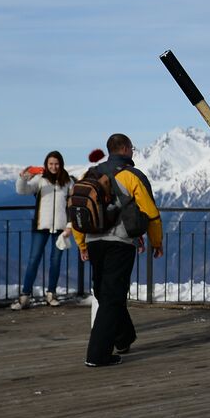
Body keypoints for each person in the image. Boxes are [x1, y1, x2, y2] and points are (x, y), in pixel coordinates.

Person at [73, 134, 162, 367]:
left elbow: (78, 209)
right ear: (125, 149)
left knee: (105, 292)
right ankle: (97, 355)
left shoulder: (91, 174)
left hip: (94, 241)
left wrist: (82, 243)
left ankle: (124, 338)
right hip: (120, 242)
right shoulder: (132, 176)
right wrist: (157, 242)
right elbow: (151, 213)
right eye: (132, 148)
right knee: (112, 296)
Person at [15, 151, 73, 309]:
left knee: (56, 262)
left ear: (61, 164)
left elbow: (72, 206)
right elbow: (22, 190)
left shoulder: (68, 182)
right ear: (46, 165)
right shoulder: (39, 180)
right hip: (41, 226)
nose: (54, 167)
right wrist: (22, 178)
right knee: (33, 260)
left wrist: (70, 226)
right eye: (51, 164)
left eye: (56, 164)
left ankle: (51, 294)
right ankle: (25, 296)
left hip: (61, 228)